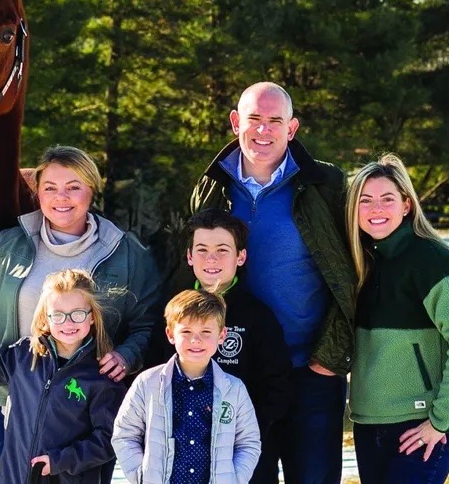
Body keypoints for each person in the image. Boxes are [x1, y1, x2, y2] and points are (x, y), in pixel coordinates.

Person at [0, 145, 161, 457]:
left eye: (74, 188)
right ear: (39, 194)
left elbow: (148, 324)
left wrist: (127, 355)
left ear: (92, 191)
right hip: (15, 404)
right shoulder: (9, 245)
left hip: (87, 408)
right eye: (50, 188)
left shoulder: (124, 252)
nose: (62, 198)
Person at [187, 81, 355, 483]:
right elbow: (193, 272)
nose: (263, 130)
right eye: (254, 119)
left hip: (310, 370)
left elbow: (352, 273)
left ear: (291, 129)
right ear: (235, 122)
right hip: (238, 370)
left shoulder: (325, 186)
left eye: (274, 121)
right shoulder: (211, 187)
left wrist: (329, 359)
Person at [346, 153, 449, 484]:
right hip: (369, 424)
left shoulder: (432, 261)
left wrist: (442, 419)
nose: (376, 209)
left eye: (387, 199)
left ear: (407, 205)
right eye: (365, 200)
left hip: (421, 424)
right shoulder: (359, 263)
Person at [0, 268, 126, 484]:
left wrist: (60, 461)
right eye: (58, 315)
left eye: (78, 314)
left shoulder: (101, 377)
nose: (68, 323)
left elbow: (108, 440)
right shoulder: (25, 355)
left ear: (91, 316)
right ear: (46, 317)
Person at [161, 208, 292, 483]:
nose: (211, 258)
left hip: (242, 452)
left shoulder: (258, 316)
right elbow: (154, 375)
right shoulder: (172, 310)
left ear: (240, 256)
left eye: (223, 249)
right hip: (180, 450)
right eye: (202, 249)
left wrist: (239, 430)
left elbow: (277, 386)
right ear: (189, 256)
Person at [112, 290, 261, 484]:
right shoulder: (147, 383)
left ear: (222, 335)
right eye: (186, 332)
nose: (195, 340)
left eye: (206, 332)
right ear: (170, 334)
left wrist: (234, 479)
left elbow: (248, 443)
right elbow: (124, 433)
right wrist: (141, 476)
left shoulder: (234, 389)